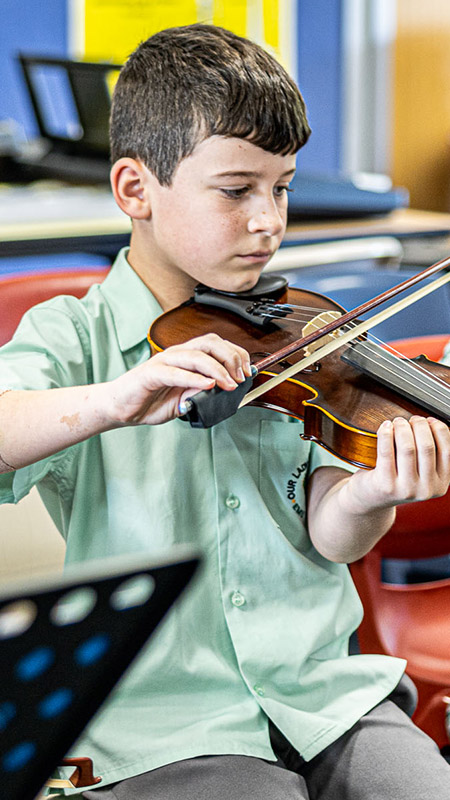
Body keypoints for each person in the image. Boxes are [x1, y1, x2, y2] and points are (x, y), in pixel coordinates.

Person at [0, 23, 449, 800]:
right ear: (135, 189)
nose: (269, 220)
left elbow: (328, 532)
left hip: (324, 696)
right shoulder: (74, 335)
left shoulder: (302, 335)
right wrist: (118, 399)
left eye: (282, 188)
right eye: (237, 190)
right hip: (161, 717)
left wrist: (371, 494)